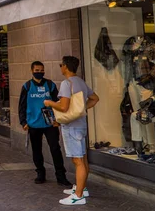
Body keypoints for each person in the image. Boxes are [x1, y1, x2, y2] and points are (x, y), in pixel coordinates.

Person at [44, 56, 100, 206]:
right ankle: (82, 188)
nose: (60, 67)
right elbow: (95, 98)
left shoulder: (66, 83)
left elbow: (63, 107)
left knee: (77, 161)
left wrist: (49, 102)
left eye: (60, 64)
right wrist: (82, 109)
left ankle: (78, 195)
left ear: (66, 67)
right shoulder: (80, 82)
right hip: (80, 124)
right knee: (82, 158)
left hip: (71, 127)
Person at [18, 61, 70, 186]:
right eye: (37, 70)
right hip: (34, 124)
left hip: (50, 123)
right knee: (37, 150)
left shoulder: (50, 85)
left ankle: (61, 175)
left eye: (42, 70)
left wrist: (58, 120)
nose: (40, 72)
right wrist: (23, 122)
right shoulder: (27, 86)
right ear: (32, 71)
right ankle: (40, 173)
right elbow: (22, 105)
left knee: (55, 148)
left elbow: (58, 102)